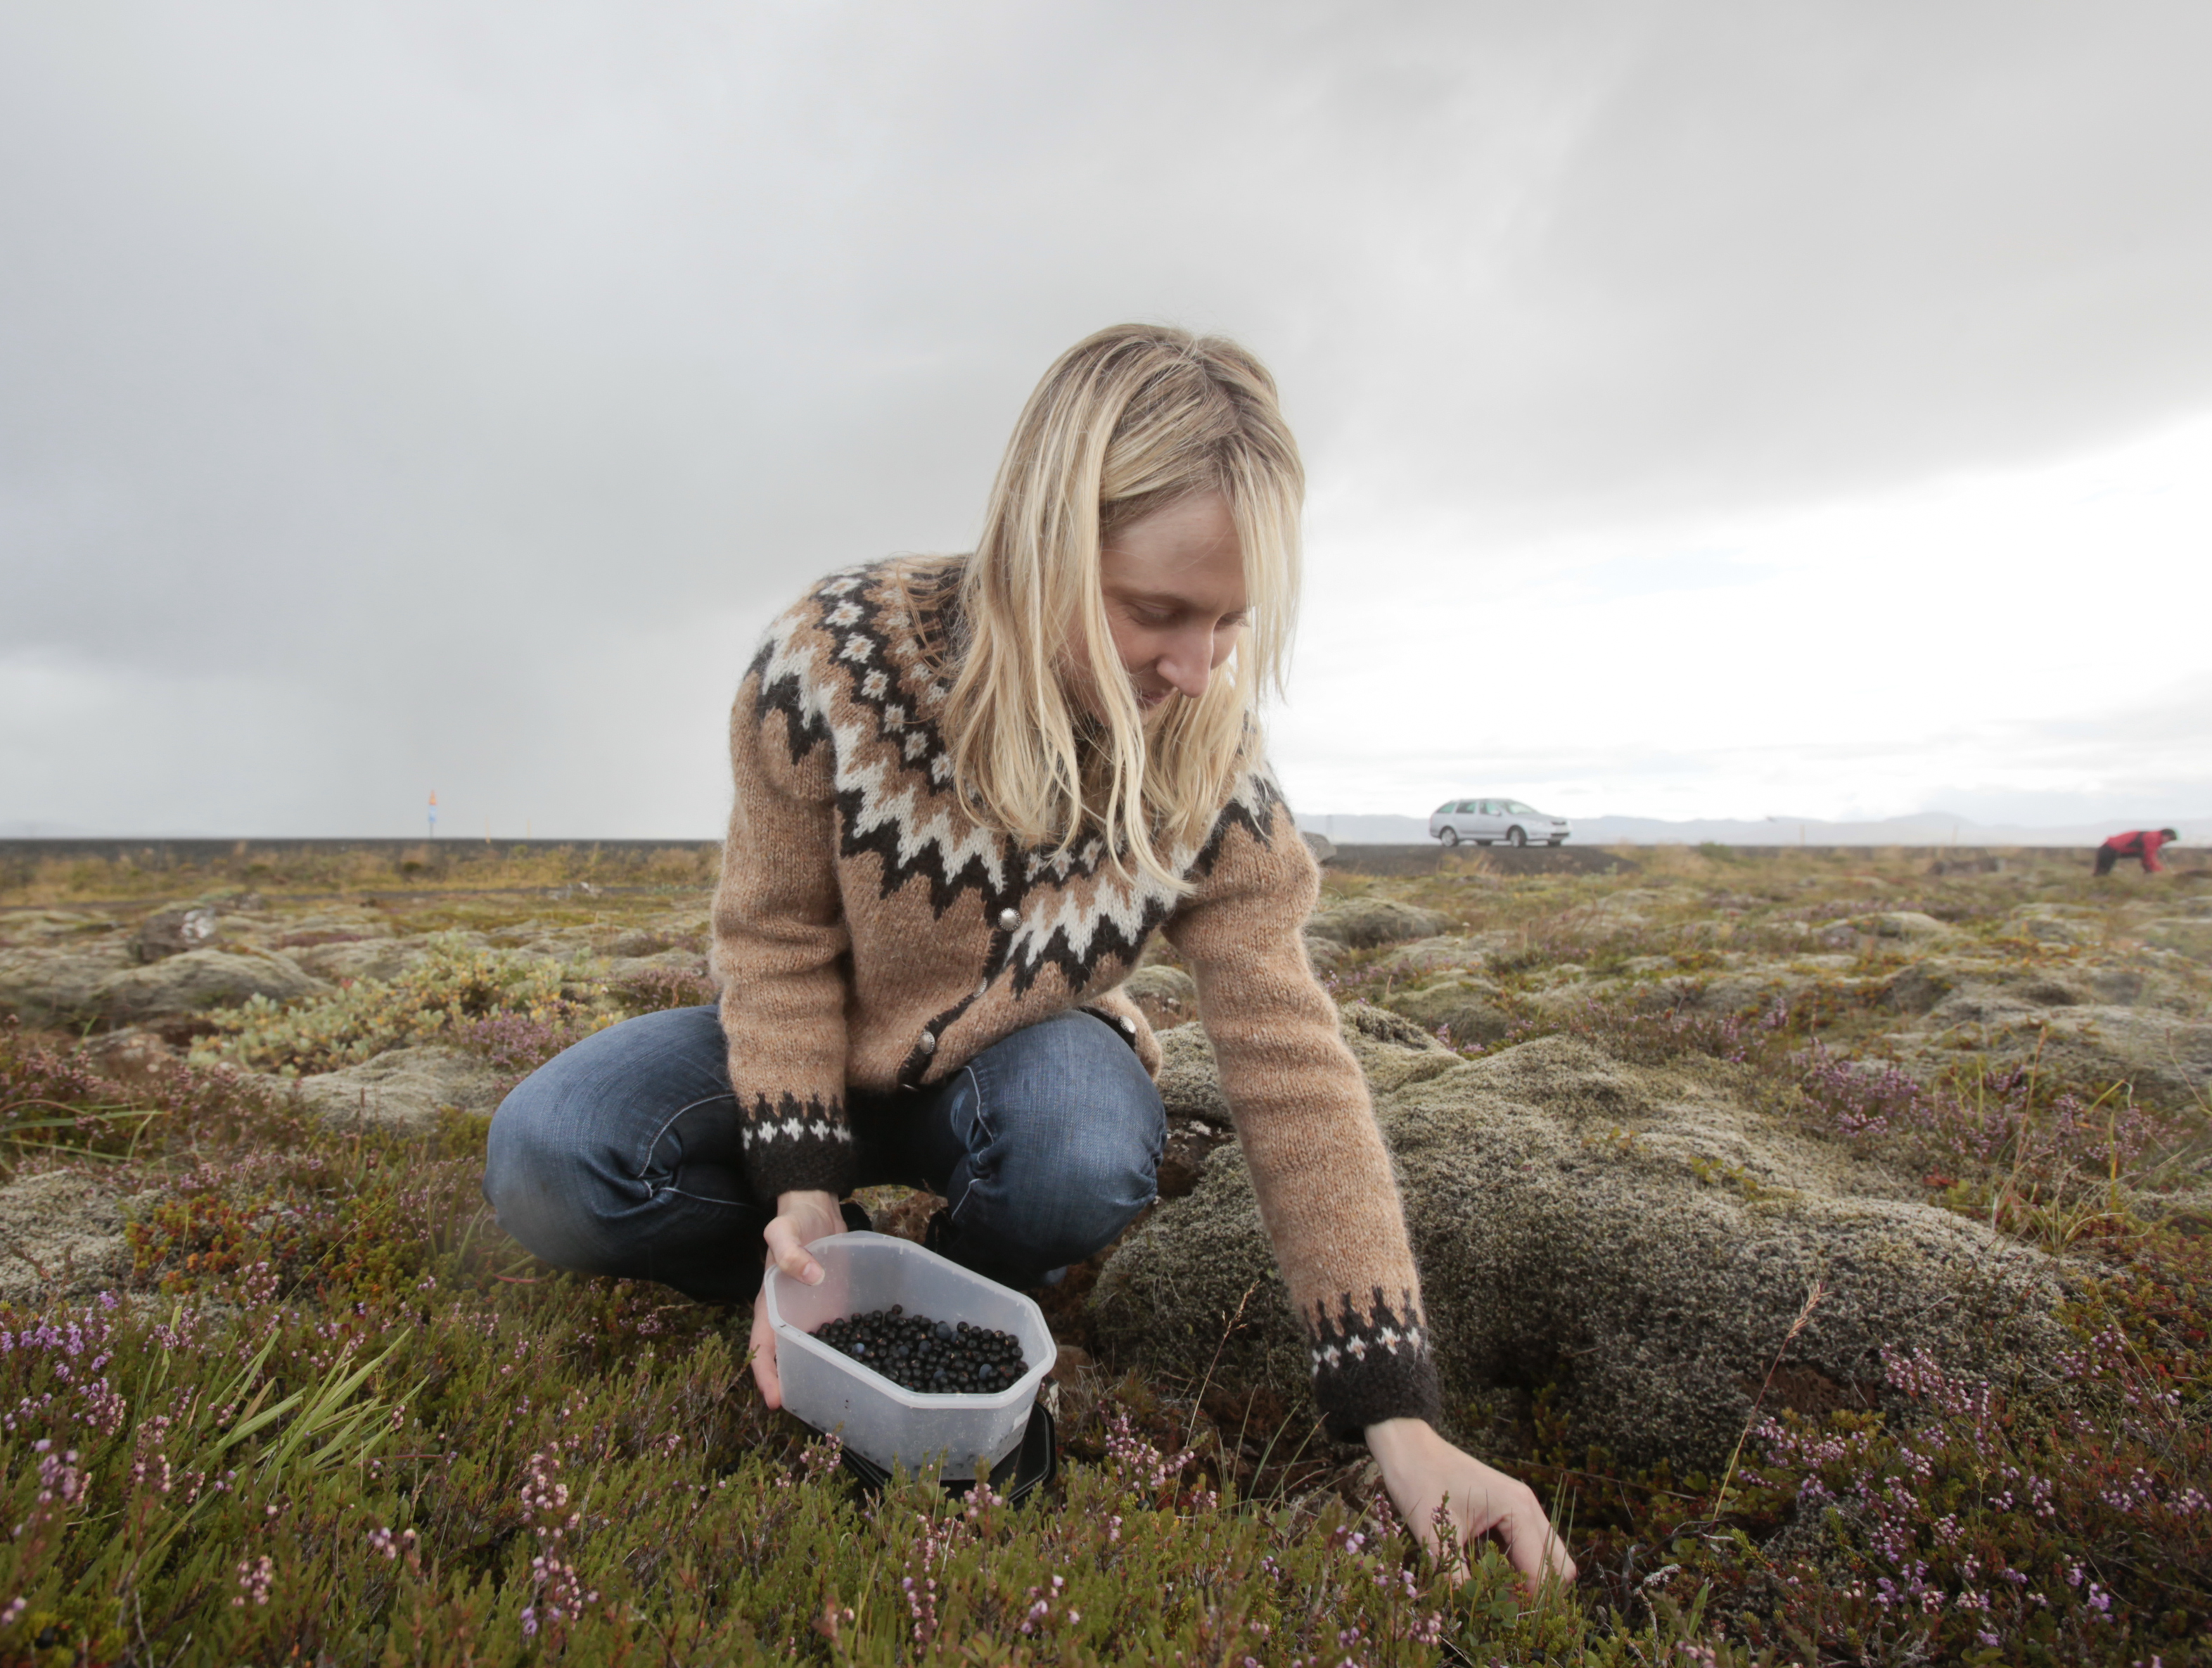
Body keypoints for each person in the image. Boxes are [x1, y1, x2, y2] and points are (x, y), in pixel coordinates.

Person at [483, 324, 1573, 1586]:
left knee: (1079, 1149)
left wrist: (1401, 1413)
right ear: (1042, 541)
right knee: (548, 1156)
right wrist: (800, 1192)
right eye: (1158, 612)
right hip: (810, 1053)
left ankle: (966, 1312)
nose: (1199, 665)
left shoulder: (1206, 758)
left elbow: (1290, 1052)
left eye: (1230, 621)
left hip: (1017, 1081)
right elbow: (773, 938)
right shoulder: (824, 663)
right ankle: (818, 1300)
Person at [2096, 828, 2180, 877]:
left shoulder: (2153, 836)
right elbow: (2149, 855)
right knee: (2102, 873)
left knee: (2103, 873)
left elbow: (2147, 856)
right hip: (2109, 849)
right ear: (2165, 836)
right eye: (2169, 839)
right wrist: (2159, 870)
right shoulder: (2153, 837)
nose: (2168, 842)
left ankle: (2148, 876)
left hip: (2113, 849)